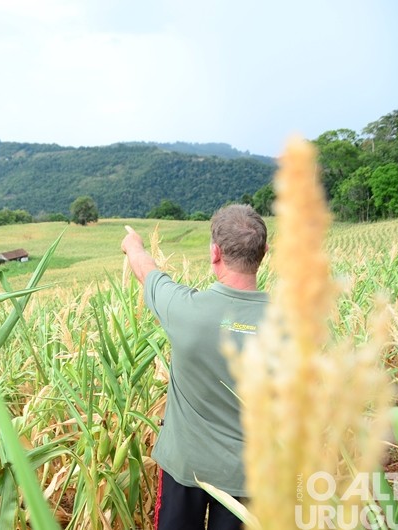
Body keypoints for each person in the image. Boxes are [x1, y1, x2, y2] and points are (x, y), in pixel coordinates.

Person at [121, 204, 269, 530]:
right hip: (251, 477)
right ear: (264, 252)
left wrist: (134, 245)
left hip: (183, 469)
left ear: (215, 252)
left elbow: (147, 271)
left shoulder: (185, 310)